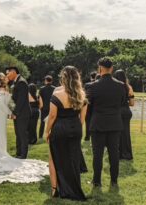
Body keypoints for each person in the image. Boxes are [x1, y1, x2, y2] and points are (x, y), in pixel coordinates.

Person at [45, 66, 87, 201]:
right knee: (73, 159)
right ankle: (74, 187)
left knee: (53, 158)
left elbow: (52, 116)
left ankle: (54, 189)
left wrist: (47, 131)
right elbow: (82, 118)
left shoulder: (57, 93)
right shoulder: (81, 94)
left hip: (60, 128)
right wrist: (76, 129)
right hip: (76, 128)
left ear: (63, 77)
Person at [88, 57, 126, 187]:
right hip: (115, 123)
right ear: (112, 68)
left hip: (98, 123)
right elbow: (122, 103)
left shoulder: (93, 86)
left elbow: (89, 106)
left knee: (97, 155)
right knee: (114, 154)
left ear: (100, 68)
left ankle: (97, 181)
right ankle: (114, 181)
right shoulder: (121, 86)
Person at [5, 66, 31, 159]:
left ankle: (23, 155)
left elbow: (21, 100)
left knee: (22, 133)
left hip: (22, 113)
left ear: (13, 72)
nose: (7, 75)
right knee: (18, 133)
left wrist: (15, 113)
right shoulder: (16, 82)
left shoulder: (21, 82)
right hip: (18, 113)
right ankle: (18, 153)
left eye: (7, 73)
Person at [114, 69, 135, 160]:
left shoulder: (114, 87)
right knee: (126, 133)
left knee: (117, 133)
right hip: (127, 111)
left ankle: (119, 154)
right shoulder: (129, 87)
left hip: (117, 112)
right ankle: (127, 154)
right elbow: (132, 103)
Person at [84, 71, 97, 141]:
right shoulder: (98, 84)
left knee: (87, 121)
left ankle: (87, 136)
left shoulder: (87, 84)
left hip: (88, 104)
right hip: (96, 105)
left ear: (90, 77)